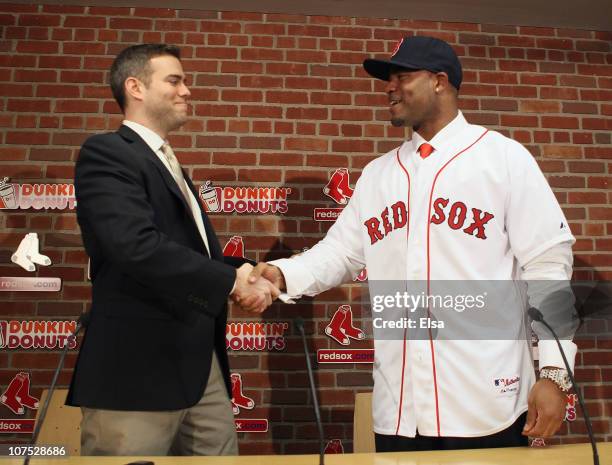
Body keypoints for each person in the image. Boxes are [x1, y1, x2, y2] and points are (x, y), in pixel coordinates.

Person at [245, 36, 578, 451]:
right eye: (389, 79)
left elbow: (548, 268)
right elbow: (340, 253)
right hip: (399, 407)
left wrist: (554, 373)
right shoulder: (378, 173)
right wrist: (281, 273)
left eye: (402, 76)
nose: (389, 87)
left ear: (439, 81)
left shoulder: (504, 158)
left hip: (486, 403)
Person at [66, 43, 278, 456]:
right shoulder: (107, 152)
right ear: (135, 87)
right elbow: (135, 246)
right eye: (175, 80)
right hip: (135, 372)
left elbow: (186, 252)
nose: (187, 90)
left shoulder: (169, 162)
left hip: (202, 367)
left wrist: (243, 268)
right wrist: (230, 281)